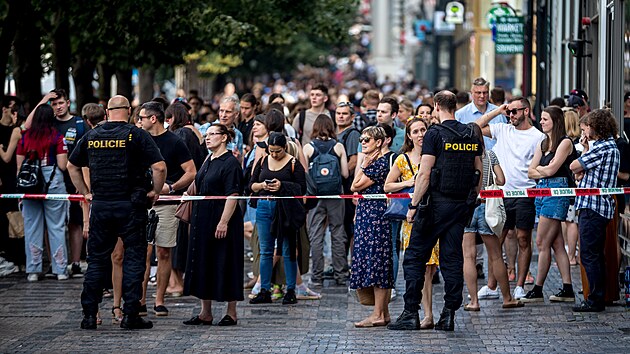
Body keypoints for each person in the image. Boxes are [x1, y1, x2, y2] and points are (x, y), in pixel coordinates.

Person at [68, 95, 166, 329]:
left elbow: (72, 165)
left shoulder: (91, 136)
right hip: (130, 205)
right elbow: (160, 166)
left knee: (97, 261)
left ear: (106, 112)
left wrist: (85, 192)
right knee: (133, 259)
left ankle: (89, 315)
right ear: (129, 110)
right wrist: (155, 191)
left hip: (101, 205)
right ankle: (131, 315)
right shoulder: (136, 134)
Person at [388, 90, 482, 332]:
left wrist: (412, 206)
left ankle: (410, 313)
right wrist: (471, 201)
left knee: (414, 258)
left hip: (435, 206)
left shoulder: (435, 134)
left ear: (437, 107)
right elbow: (478, 172)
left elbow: (425, 173)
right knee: (452, 259)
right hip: (460, 205)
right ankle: (448, 314)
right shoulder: (471, 132)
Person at [474, 97, 545, 300]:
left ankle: (520, 285)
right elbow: (476, 127)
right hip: (500, 195)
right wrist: (498, 111)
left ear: (526, 111)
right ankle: (491, 285)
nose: (511, 115)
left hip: (524, 193)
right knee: (495, 240)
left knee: (524, 239)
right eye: (509, 111)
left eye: (515, 111)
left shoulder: (537, 137)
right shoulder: (503, 129)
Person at [139, 101, 196, 317]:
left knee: (163, 251)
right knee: (143, 252)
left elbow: (191, 171)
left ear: (153, 119)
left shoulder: (174, 141)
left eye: (142, 117)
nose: (139, 121)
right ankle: (140, 299)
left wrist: (171, 186)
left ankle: (159, 300)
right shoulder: (138, 139)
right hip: (142, 202)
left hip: (166, 203)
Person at [25, 89, 91, 278]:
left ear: (68, 103)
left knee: (75, 222)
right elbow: (29, 125)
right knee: (51, 223)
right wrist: (44, 100)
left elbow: (87, 151)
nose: (57, 107)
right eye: (53, 104)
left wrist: (83, 180)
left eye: (60, 103)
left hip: (74, 177)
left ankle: (76, 262)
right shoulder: (47, 122)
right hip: (53, 178)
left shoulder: (79, 123)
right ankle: (56, 262)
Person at [183, 124, 244, 326]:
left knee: (226, 262)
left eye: (212, 135)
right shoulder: (208, 159)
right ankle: (205, 312)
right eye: (206, 135)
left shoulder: (230, 163)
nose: (207, 138)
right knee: (204, 263)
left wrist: (224, 222)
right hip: (203, 221)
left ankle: (231, 312)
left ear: (224, 137)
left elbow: (233, 195)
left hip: (222, 220)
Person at [384, 117, 440, 328]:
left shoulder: (435, 156)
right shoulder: (402, 160)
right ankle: (424, 313)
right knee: (419, 267)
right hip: (411, 218)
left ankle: (427, 312)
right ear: (408, 135)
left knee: (431, 268)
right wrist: (409, 182)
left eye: (423, 130)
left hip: (433, 216)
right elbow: (387, 186)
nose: (420, 135)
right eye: (415, 131)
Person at [462, 123, 522, 310]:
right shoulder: (490, 155)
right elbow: (502, 180)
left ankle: (473, 301)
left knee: (468, 256)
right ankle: (507, 298)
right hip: (487, 207)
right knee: (495, 255)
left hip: (467, 207)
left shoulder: (462, 156)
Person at [522, 106, 576, 303]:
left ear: (555, 120)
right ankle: (568, 287)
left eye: (545, 119)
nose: (542, 122)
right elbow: (530, 171)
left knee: (541, 242)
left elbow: (553, 169)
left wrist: (542, 170)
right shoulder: (543, 143)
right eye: (542, 119)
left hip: (556, 192)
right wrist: (544, 171)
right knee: (556, 243)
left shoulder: (565, 142)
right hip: (542, 191)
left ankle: (538, 288)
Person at [570, 109, 620, 312]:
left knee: (590, 255)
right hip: (597, 205)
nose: (584, 132)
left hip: (593, 206)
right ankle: (599, 295)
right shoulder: (606, 147)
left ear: (594, 128)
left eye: (585, 128)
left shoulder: (601, 149)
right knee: (595, 254)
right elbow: (581, 175)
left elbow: (575, 166)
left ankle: (595, 299)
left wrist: (584, 151)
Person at [249, 132, 306, 305]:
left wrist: (282, 186)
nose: (274, 154)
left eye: (278, 151)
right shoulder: (262, 161)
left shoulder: (294, 163)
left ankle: (290, 290)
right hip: (264, 205)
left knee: (289, 250)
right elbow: (251, 184)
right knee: (265, 250)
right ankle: (264, 289)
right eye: (271, 151)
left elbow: (301, 188)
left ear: (285, 148)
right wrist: (262, 186)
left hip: (285, 208)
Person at [17, 104, 70, 281]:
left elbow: (19, 167)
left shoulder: (24, 138)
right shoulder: (57, 137)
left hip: (29, 184)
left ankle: (33, 269)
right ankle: (60, 269)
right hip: (52, 181)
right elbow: (63, 165)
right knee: (56, 226)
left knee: (32, 227)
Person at [350, 125, 393, 328]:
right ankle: (383, 313)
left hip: (376, 217)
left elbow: (355, 186)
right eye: (361, 140)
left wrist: (363, 164)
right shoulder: (373, 161)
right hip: (368, 216)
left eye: (367, 140)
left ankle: (378, 314)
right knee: (374, 261)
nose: (363, 143)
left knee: (377, 263)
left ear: (379, 142)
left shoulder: (381, 163)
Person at [303, 114, 349, 286]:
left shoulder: (308, 148)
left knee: (316, 235)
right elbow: (345, 173)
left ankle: (316, 276)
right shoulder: (338, 147)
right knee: (337, 233)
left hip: (315, 196)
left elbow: (305, 174)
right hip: (336, 195)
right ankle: (341, 274)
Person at [455, 77, 506, 151]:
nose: (482, 96)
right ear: (471, 93)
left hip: (497, 159)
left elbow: (504, 137)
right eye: (478, 93)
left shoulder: (499, 112)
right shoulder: (460, 114)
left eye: (485, 92)